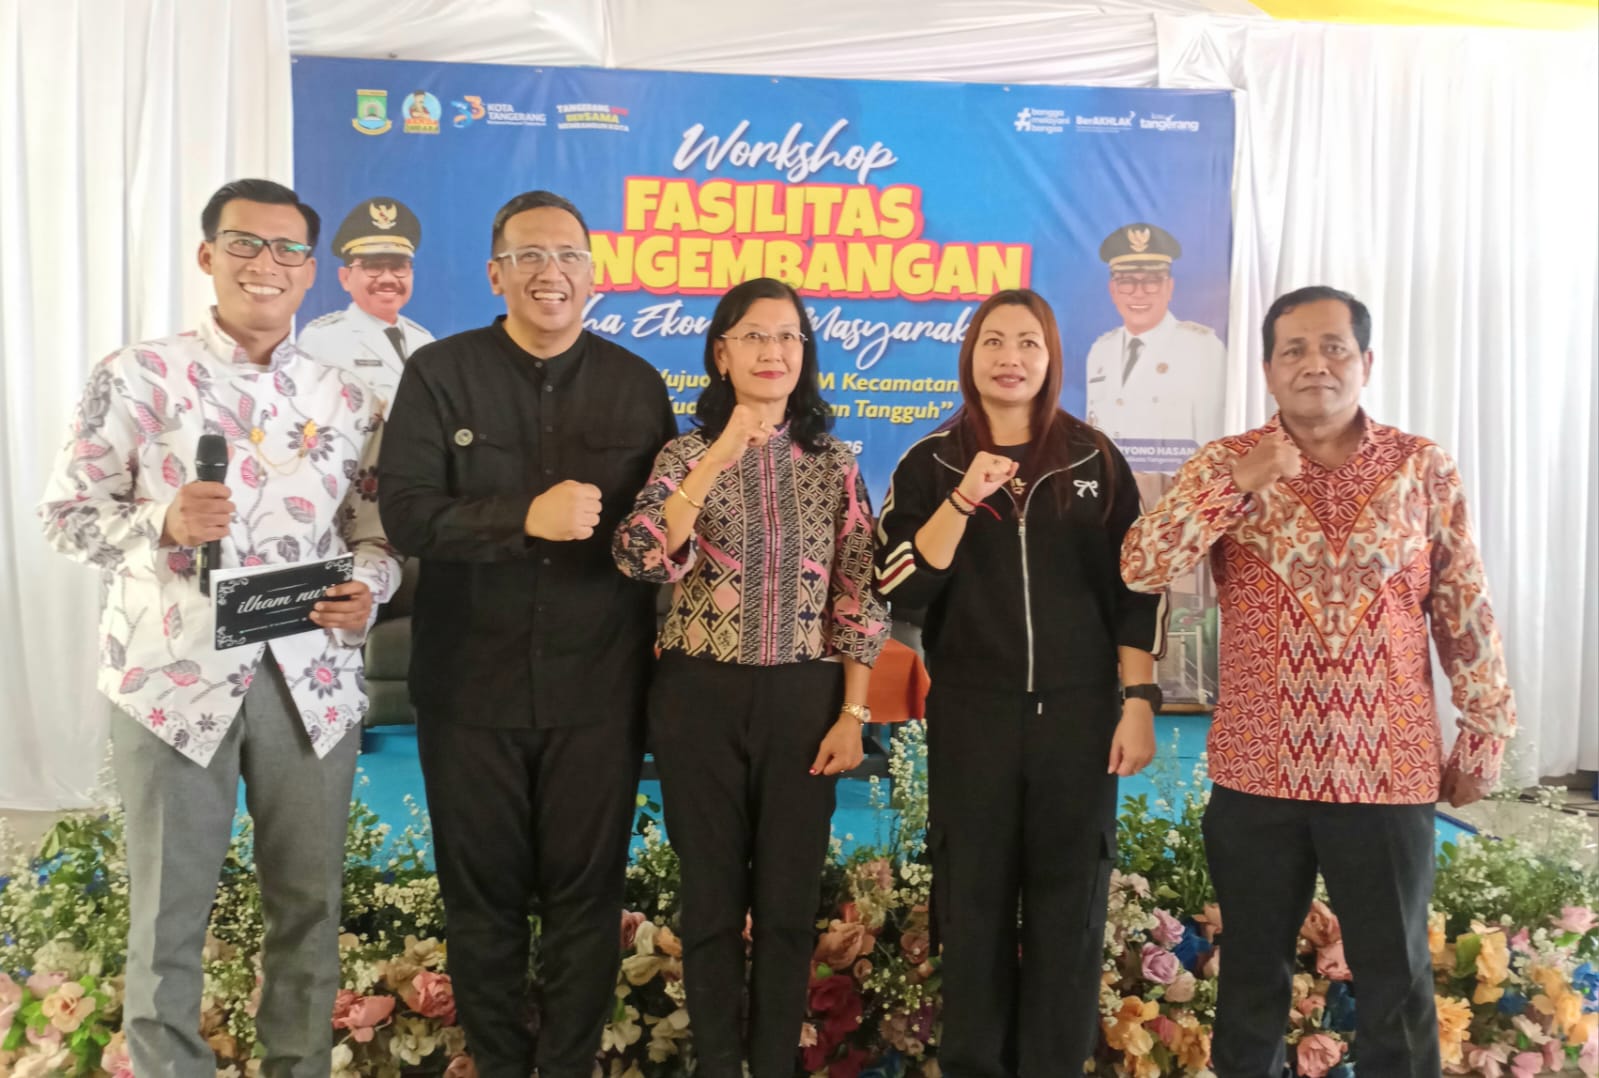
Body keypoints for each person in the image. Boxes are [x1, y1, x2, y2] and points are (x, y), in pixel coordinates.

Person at [37, 178, 399, 1077]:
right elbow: (65, 517)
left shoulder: (351, 398)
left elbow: (378, 534)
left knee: (309, 908)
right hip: (171, 679)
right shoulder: (138, 375)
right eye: (244, 243)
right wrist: (160, 520)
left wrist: (368, 587)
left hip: (310, 680)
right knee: (168, 913)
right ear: (208, 256)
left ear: (310, 271)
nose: (265, 264)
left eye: (287, 249)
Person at [1121, 285, 1517, 1078]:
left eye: (1333, 347)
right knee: (1250, 976)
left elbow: (1462, 604)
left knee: (1395, 977)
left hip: (1385, 768)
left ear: (1365, 362)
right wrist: (1239, 483)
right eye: (1293, 350)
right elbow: (1141, 564)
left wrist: (1483, 730)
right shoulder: (1226, 463)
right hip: (1258, 769)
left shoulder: (1419, 466)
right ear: (1267, 369)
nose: (1314, 365)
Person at [377, 189, 676, 1078]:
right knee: (483, 904)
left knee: (589, 902)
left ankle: (571, 1064)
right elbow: (406, 515)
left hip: (599, 689)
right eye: (530, 256)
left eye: (569, 256)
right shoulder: (439, 374)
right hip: (471, 689)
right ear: (495, 273)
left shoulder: (635, 384)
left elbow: (661, 533)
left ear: (593, 273)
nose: (552, 273)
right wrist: (522, 518)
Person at [873, 288, 1165, 1076]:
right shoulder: (930, 460)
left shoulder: (1093, 459)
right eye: (993, 341)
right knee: (971, 909)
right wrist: (963, 497)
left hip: (1078, 716)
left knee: (1071, 912)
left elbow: (1136, 588)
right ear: (969, 355)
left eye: (1027, 342)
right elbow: (899, 585)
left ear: (1051, 357)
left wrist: (1137, 701)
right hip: (973, 716)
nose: (1010, 358)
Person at [613, 277, 889, 1078]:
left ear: (805, 354)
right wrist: (718, 457)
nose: (774, 351)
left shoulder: (834, 464)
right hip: (698, 696)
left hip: (804, 701)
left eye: (788, 336)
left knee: (787, 905)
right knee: (708, 903)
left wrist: (854, 713)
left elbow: (858, 590)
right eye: (755, 336)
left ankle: (772, 1063)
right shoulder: (683, 456)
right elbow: (640, 555)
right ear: (721, 354)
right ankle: (716, 1064)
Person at [1085, 222, 1226, 460]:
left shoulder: (1202, 348)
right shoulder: (1100, 351)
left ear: (1169, 287)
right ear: (1113, 290)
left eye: (1151, 281)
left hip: (1179, 480)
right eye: (1127, 282)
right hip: (1111, 478)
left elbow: (1214, 438)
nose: (1139, 293)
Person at [297, 197, 435, 412]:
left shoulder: (424, 340)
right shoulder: (322, 339)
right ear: (345, 277)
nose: (387, 278)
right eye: (373, 266)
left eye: (399, 267)